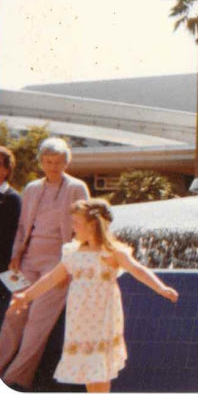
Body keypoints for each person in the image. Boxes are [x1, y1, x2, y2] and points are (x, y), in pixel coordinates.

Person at [9, 198, 179, 393]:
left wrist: (160, 288)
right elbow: (52, 278)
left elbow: (137, 269)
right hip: (80, 320)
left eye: (77, 223)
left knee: (99, 366)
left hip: (102, 317)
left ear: (93, 225)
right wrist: (26, 296)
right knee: (89, 369)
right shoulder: (73, 252)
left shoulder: (112, 252)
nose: (73, 227)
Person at [0, 137, 90, 390]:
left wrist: (71, 261)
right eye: (48, 161)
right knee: (13, 316)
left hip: (58, 261)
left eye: (58, 162)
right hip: (28, 259)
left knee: (38, 323)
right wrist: (16, 256)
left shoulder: (76, 187)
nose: (53, 166)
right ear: (41, 163)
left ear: (66, 162)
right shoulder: (32, 189)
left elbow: (86, 226)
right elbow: (22, 227)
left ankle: (16, 378)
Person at [0, 147, 22, 312]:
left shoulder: (12, 198)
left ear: (7, 170)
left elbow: (16, 235)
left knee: (8, 313)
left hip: (6, 268)